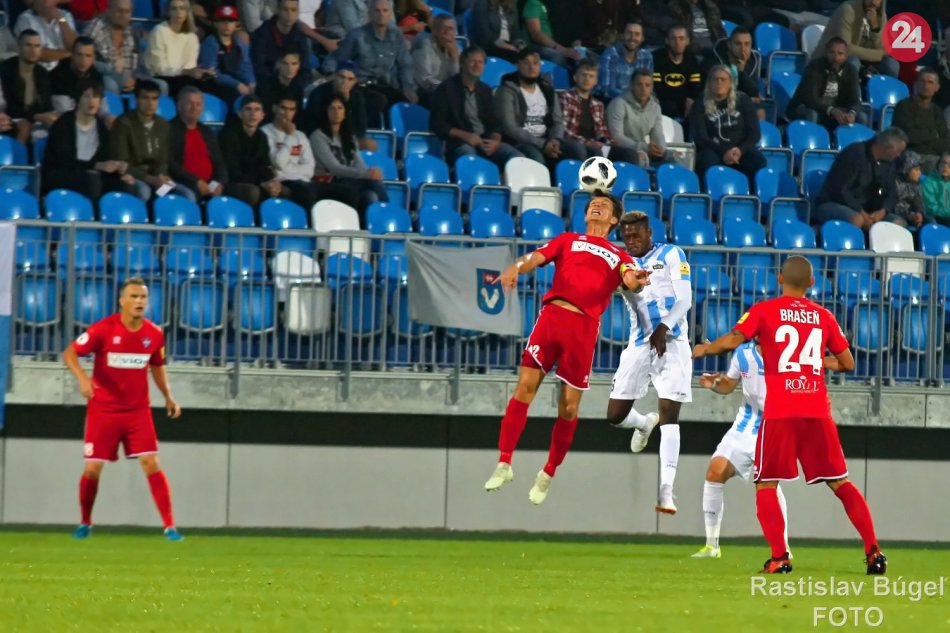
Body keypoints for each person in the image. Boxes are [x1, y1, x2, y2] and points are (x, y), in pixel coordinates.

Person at [692, 256, 887, 575]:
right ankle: (874, 552)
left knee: (766, 484)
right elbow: (847, 363)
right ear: (812, 283)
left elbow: (735, 339)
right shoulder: (823, 316)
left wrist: (705, 349)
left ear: (780, 279)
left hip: (781, 411)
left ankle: (780, 557)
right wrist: (815, 362)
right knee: (841, 482)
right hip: (816, 410)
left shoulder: (764, 310)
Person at [484, 194, 652, 505]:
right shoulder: (567, 239)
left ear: (614, 219)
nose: (596, 205)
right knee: (524, 388)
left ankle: (548, 473)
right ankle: (504, 462)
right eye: (593, 203)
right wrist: (516, 267)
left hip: (583, 329)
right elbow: (535, 257)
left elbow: (631, 280)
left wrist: (637, 281)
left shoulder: (619, 255)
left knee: (569, 408)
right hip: (551, 319)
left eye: (604, 204)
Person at [63, 277, 184, 542]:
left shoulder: (154, 334)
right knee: (92, 468)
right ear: (122, 301)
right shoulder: (103, 329)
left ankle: (170, 527)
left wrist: (168, 396)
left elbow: (157, 366)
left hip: (137, 411)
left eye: (143, 297)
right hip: (103, 410)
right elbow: (69, 353)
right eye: (134, 297)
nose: (139, 301)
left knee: (151, 462)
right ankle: (85, 522)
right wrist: (83, 378)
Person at [606, 212, 692, 515]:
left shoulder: (671, 254)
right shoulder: (622, 265)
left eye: (636, 235)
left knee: (670, 416)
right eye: (627, 236)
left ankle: (666, 492)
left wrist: (664, 327)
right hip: (639, 344)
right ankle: (643, 423)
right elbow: (613, 288)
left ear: (649, 233)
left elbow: (685, 300)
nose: (631, 241)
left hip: (674, 342)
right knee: (615, 416)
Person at [691, 340, 789, 559]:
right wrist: (715, 383)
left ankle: (783, 549)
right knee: (715, 472)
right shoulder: (743, 353)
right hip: (745, 426)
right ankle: (712, 546)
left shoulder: (787, 354)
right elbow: (728, 383)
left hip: (774, 427)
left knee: (768, 485)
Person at [429, 45, 522, 168]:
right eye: (472, 61)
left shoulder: (486, 90)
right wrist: (465, 135)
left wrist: (495, 140)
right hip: (459, 142)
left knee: (518, 158)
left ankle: (503, 179)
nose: (477, 65)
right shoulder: (446, 89)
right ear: (462, 64)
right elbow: (437, 124)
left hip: (485, 141)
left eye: (480, 62)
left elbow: (495, 123)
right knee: (471, 160)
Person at [329, 0, 418, 127]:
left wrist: (408, 87)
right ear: (370, 13)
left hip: (385, 86)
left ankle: (397, 137)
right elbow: (342, 61)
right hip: (359, 86)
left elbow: (405, 64)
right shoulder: (356, 35)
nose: (381, 14)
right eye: (377, 10)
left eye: (385, 11)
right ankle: (366, 134)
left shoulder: (397, 36)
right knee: (378, 101)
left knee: (406, 102)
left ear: (390, 14)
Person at [262, 96, 360, 210]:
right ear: (275, 108)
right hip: (284, 181)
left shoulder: (300, 135)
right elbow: (279, 163)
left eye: (292, 109)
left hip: (305, 181)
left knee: (349, 193)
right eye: (283, 108)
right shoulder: (265, 133)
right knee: (307, 193)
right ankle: (310, 222)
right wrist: (289, 136)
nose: (287, 113)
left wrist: (288, 169)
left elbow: (309, 169)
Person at [42, 83, 137, 200]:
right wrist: (96, 165)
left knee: (125, 185)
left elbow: (105, 159)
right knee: (92, 179)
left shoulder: (101, 127)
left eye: (95, 97)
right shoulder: (64, 123)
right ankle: (92, 211)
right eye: (86, 96)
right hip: (62, 173)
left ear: (100, 102)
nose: (91, 101)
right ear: (78, 100)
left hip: (93, 175)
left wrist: (119, 171)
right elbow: (64, 160)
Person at [494, 47, 585, 167]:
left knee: (577, 149)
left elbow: (557, 120)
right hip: (521, 142)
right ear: (517, 65)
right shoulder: (507, 90)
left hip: (547, 139)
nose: (531, 67)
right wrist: (543, 144)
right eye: (526, 63)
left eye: (535, 63)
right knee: (536, 157)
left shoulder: (547, 89)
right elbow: (510, 128)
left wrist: (555, 140)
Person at [169, 86, 259, 204]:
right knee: (190, 194)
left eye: (198, 104)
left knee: (250, 191)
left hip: (210, 184)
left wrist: (217, 183)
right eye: (189, 104)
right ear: (179, 106)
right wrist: (196, 181)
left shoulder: (207, 132)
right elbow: (170, 164)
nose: (194, 108)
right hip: (184, 182)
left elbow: (220, 163)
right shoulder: (168, 129)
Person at [109, 79, 192, 201]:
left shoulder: (163, 124)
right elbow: (121, 162)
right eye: (145, 98)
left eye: (154, 99)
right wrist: (151, 179)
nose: (150, 103)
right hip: (133, 176)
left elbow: (163, 160)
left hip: (157, 177)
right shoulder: (123, 123)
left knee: (186, 194)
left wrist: (161, 176)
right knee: (144, 191)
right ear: (136, 100)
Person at [814, 127, 907, 229]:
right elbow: (839, 189)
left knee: (897, 224)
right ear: (887, 148)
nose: (898, 155)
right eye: (898, 151)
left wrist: (883, 210)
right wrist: (860, 211)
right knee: (856, 220)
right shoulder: (854, 154)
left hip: (870, 210)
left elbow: (892, 193)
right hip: (837, 203)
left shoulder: (889, 164)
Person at [688, 65, 765, 188]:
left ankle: (751, 195)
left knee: (758, 161)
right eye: (715, 79)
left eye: (723, 80)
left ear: (730, 83)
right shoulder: (700, 104)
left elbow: (754, 133)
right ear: (709, 83)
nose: (719, 83)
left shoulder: (743, 100)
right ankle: (709, 194)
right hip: (714, 149)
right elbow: (701, 137)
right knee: (706, 161)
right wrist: (723, 152)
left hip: (739, 150)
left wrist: (740, 150)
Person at [309, 96, 389, 212]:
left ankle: (374, 220)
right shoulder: (317, 136)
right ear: (326, 112)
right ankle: (387, 211)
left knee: (370, 195)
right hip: (331, 181)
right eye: (332, 108)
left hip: (350, 180)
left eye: (340, 108)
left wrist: (369, 173)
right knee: (373, 182)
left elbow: (359, 163)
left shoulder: (349, 137)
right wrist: (365, 174)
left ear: (345, 113)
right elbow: (334, 167)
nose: (336, 112)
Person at [558, 60, 639, 164]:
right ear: (575, 77)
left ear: (595, 81)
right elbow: (564, 131)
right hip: (575, 144)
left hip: (596, 145)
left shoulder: (598, 105)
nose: (587, 79)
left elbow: (604, 132)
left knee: (630, 154)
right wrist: (588, 143)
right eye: (583, 75)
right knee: (596, 152)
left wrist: (612, 145)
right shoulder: (565, 97)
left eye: (591, 76)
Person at [786, 37, 866, 132]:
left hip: (835, 110)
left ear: (846, 55)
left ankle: (855, 141)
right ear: (826, 52)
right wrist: (831, 110)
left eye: (840, 54)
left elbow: (855, 99)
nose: (836, 58)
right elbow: (810, 99)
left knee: (861, 117)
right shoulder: (814, 67)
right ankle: (811, 138)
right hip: (808, 107)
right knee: (812, 114)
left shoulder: (851, 70)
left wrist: (851, 113)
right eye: (832, 53)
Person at [218, 95, 284, 208]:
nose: (253, 113)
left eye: (257, 110)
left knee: (283, 190)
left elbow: (264, 165)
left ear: (262, 115)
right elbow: (233, 172)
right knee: (253, 191)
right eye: (248, 109)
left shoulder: (262, 137)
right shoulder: (227, 135)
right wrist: (261, 183)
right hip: (232, 183)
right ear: (240, 114)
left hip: (255, 182)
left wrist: (272, 182)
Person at [606, 68, 675, 169]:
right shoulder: (618, 104)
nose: (643, 89)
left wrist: (660, 149)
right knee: (637, 156)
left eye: (647, 85)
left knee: (668, 155)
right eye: (639, 84)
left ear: (652, 88)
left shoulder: (655, 107)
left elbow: (657, 133)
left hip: (642, 149)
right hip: (621, 150)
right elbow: (616, 136)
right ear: (632, 86)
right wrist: (644, 147)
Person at [145, 0, 215, 97]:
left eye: (182, 8)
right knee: (185, 84)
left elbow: (190, 66)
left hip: (184, 76)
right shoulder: (159, 31)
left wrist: (201, 73)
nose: (178, 12)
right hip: (161, 76)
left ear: (187, 12)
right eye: (174, 9)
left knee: (209, 83)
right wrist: (184, 71)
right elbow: (158, 68)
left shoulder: (192, 36)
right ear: (168, 12)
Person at [0, 30, 58, 145]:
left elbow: (46, 104)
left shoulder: (42, 73)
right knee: (24, 126)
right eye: (28, 45)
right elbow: (9, 106)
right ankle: (17, 155)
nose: (33, 50)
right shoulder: (6, 69)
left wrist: (50, 116)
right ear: (19, 47)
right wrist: (36, 116)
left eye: (37, 46)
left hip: (36, 118)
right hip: (9, 117)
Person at [814, 0, 898, 79]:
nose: (873, 2)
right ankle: (852, 90)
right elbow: (845, 49)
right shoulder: (848, 10)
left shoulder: (880, 15)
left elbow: (882, 48)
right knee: (853, 62)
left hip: (862, 59)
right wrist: (879, 54)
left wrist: (875, 28)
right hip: (829, 59)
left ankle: (888, 90)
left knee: (891, 64)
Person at [300, 61, 372, 147]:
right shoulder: (319, 93)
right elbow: (311, 124)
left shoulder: (357, 97)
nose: (345, 82)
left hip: (346, 138)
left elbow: (361, 127)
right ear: (334, 76)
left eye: (350, 79)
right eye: (342, 77)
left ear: (355, 81)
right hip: (322, 138)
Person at [892, 68, 950, 174]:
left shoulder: (937, 111)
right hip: (910, 155)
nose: (926, 86)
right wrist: (933, 134)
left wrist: (924, 137)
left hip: (934, 158)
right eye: (922, 81)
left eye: (930, 82)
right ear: (916, 84)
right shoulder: (904, 106)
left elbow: (945, 141)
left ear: (937, 87)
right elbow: (907, 136)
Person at [84, 0, 147, 95]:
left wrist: (134, 78)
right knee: (110, 84)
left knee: (160, 85)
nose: (123, 15)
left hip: (132, 79)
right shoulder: (97, 26)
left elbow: (140, 63)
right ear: (108, 10)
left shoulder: (133, 31)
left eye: (127, 12)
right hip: (103, 77)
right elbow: (85, 56)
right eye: (119, 11)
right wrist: (117, 75)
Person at [197, 5, 257, 104]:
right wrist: (237, 84)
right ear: (215, 24)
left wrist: (251, 82)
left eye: (230, 21)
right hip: (215, 85)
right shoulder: (210, 43)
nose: (227, 25)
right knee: (234, 96)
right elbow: (211, 73)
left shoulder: (240, 45)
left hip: (236, 82)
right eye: (222, 21)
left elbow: (246, 66)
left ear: (236, 24)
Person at [250, 0, 313, 86]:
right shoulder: (263, 33)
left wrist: (295, 87)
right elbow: (258, 67)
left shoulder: (300, 36)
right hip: (269, 85)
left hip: (294, 86)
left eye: (293, 10)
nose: (289, 15)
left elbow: (305, 69)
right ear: (277, 10)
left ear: (298, 12)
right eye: (285, 9)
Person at [50, 36, 112, 122]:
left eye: (88, 56)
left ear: (94, 58)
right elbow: (64, 112)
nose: (83, 60)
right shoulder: (58, 76)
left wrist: (108, 118)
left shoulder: (96, 76)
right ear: (72, 55)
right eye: (79, 55)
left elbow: (103, 109)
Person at [652, 25, 702, 120]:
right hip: (663, 105)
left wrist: (691, 99)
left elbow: (695, 86)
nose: (677, 43)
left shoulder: (691, 59)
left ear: (687, 41)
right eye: (673, 39)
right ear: (667, 41)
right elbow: (657, 87)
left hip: (684, 106)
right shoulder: (657, 58)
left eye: (681, 38)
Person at [14, 0, 78, 71]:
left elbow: (74, 46)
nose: (45, 2)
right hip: (39, 70)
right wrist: (69, 54)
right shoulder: (25, 19)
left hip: (66, 70)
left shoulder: (65, 15)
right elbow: (34, 52)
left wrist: (60, 18)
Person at [597, 21, 653, 101]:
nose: (632, 37)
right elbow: (607, 90)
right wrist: (634, 98)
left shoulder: (646, 56)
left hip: (638, 102)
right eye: (629, 33)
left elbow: (649, 86)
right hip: (613, 102)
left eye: (637, 34)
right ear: (622, 36)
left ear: (642, 38)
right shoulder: (610, 55)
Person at [411, 14, 459, 105]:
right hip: (420, 92)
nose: (447, 32)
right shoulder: (423, 47)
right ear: (435, 30)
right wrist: (449, 88)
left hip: (443, 90)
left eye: (451, 29)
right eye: (444, 28)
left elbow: (457, 79)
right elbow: (426, 82)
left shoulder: (456, 49)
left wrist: (454, 57)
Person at [703, 26, 760, 103]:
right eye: (738, 44)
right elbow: (716, 93)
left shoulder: (752, 61)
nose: (743, 49)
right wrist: (746, 99)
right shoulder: (714, 60)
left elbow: (754, 93)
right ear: (729, 45)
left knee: (760, 108)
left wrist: (742, 73)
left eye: (747, 44)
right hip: (713, 104)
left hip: (739, 103)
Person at [520, 0, 582, 68]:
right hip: (537, 46)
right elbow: (536, 34)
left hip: (550, 45)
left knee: (583, 55)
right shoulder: (533, 3)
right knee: (557, 56)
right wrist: (563, 50)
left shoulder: (544, 4)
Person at [257, 51, 307, 122]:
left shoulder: (297, 87)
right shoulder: (265, 86)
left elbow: (298, 115)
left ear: (299, 66)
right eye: (285, 63)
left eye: (294, 64)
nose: (290, 68)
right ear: (278, 65)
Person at [894, 150, 932, 229]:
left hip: (912, 214)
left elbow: (919, 201)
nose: (919, 173)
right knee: (900, 223)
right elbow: (892, 205)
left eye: (919, 169)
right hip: (897, 214)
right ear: (906, 169)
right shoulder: (894, 182)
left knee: (931, 222)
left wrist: (919, 213)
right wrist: (909, 216)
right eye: (916, 169)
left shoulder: (916, 183)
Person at [922, 151, 950, 227]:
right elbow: (931, 208)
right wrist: (947, 212)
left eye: (949, 165)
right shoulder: (929, 182)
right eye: (943, 163)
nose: (945, 167)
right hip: (934, 216)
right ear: (938, 164)